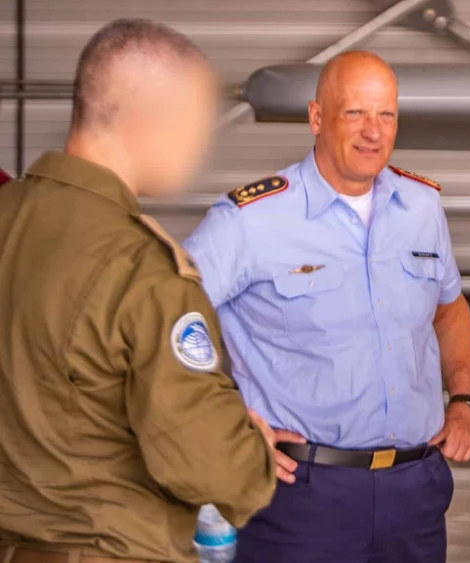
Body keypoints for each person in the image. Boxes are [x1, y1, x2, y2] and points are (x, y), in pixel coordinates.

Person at [183, 50, 470, 563]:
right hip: (301, 495)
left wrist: (465, 402)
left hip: (415, 491)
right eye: (355, 113)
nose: (373, 131)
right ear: (317, 117)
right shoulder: (250, 220)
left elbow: (449, 309)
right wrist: (226, 426)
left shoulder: (422, 207)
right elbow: (162, 325)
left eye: (386, 114)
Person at [0, 19, 276, 563]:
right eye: (196, 125)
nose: (201, 146)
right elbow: (207, 463)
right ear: (147, 119)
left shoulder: (9, 218)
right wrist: (251, 452)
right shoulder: (144, 272)